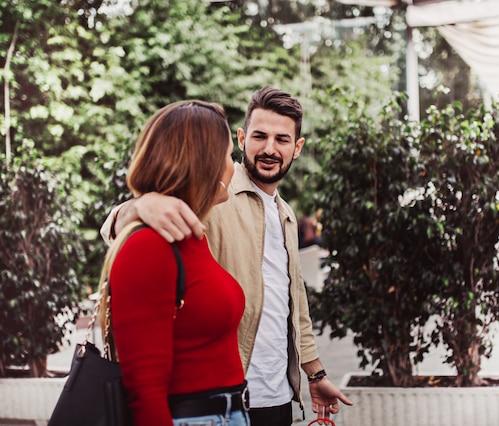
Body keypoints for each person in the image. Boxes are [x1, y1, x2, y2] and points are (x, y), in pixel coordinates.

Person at [101, 86, 352, 426]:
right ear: (241, 138)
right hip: (219, 399)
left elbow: (294, 303)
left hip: (277, 394)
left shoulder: (286, 215)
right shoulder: (214, 196)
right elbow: (120, 229)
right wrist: (141, 205)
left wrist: (314, 373)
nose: (269, 148)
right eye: (259, 136)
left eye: (282, 140)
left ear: (297, 148)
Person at [100, 100, 250, 426]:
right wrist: (138, 206)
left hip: (224, 413)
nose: (234, 166)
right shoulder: (150, 245)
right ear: (205, 164)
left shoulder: (190, 235)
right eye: (228, 156)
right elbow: (145, 391)